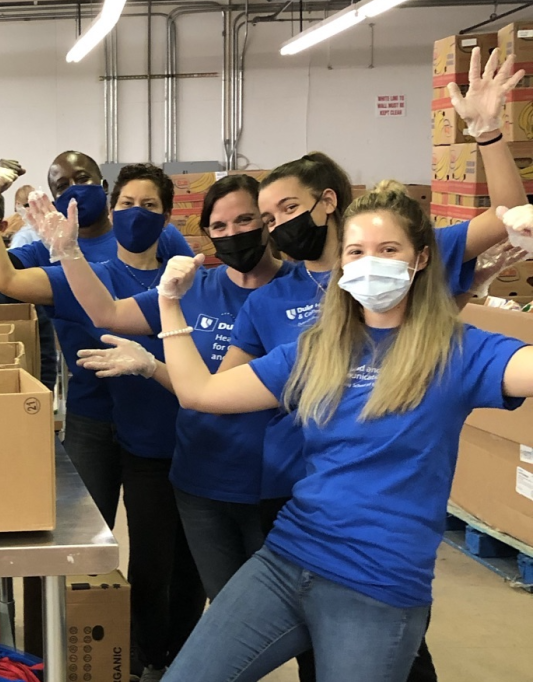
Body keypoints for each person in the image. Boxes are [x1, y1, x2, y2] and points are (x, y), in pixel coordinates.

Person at [218, 48, 526, 682]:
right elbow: (223, 385)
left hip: (386, 526)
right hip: (299, 493)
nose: (278, 225)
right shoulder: (275, 293)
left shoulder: (413, 248)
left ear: (327, 201)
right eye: (269, 216)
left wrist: (488, 133)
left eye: (287, 209)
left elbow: (510, 219)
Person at [151, 182, 533, 682]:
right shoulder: (316, 350)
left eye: (388, 249)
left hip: (378, 583)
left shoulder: (457, 351)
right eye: (356, 251)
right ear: (342, 266)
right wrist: (168, 301)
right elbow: (200, 392)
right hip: (288, 558)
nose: (370, 262)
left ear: (419, 260)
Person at [0, 161, 199, 680]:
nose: (136, 215)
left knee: (167, 559)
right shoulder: (82, 267)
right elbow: (3, 279)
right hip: (94, 418)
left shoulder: (179, 273)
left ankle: (160, 657)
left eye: (149, 206)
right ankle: (64, 651)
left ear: (167, 217)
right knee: (79, 545)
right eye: (129, 203)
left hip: (164, 430)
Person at [56, 174, 292, 610]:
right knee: (225, 609)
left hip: (277, 485)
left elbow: (217, 391)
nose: (233, 234)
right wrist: (70, 252)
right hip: (202, 479)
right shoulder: (193, 288)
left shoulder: (302, 290)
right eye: (218, 227)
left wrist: (151, 365)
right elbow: (105, 312)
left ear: (268, 221)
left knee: (287, 613)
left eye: (246, 220)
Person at [6, 185, 40, 250]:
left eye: (36, 203)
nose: (33, 208)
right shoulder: (23, 236)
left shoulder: (39, 230)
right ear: (18, 206)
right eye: (28, 205)